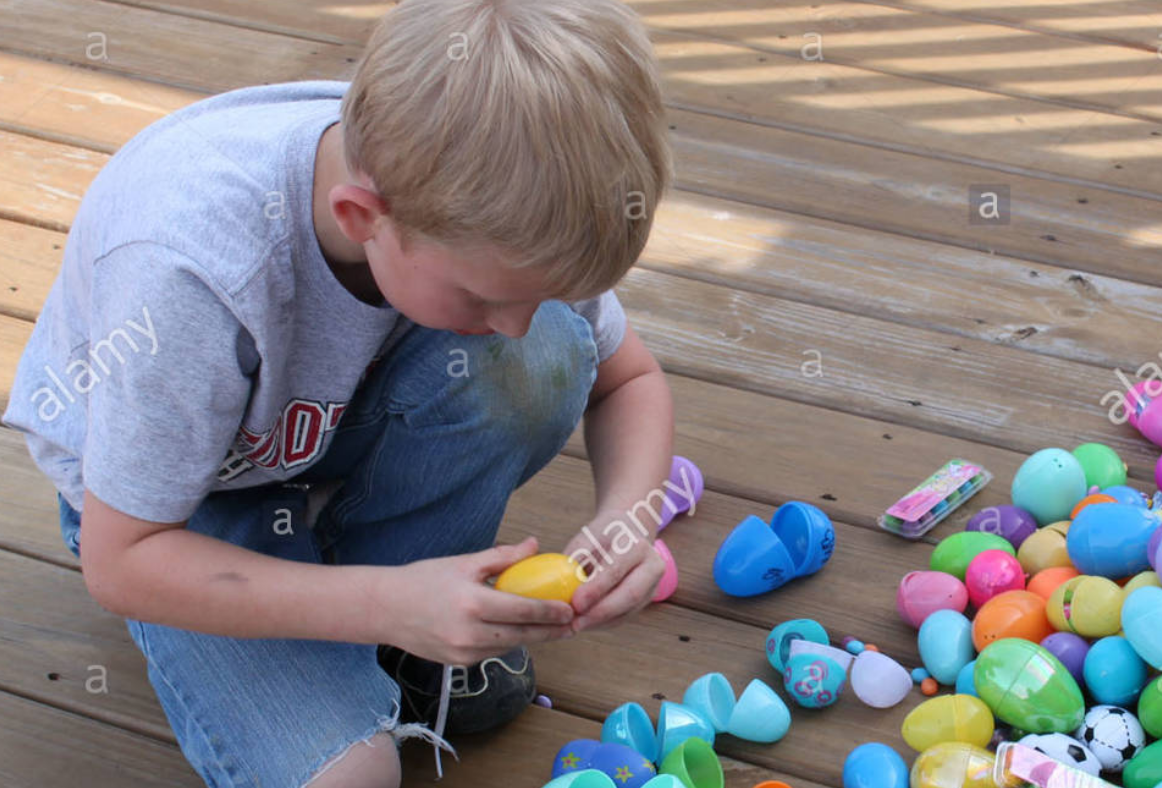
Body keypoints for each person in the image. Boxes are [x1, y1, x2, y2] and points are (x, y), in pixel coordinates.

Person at [0, 0, 675, 785]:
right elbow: (124, 563)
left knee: (552, 357)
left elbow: (629, 378)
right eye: (486, 301)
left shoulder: (490, 203)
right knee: (354, 778)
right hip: (170, 514)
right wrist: (387, 602)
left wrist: (627, 519)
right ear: (363, 216)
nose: (516, 325)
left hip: (308, 427)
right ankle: (385, 616)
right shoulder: (190, 273)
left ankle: (396, 623)